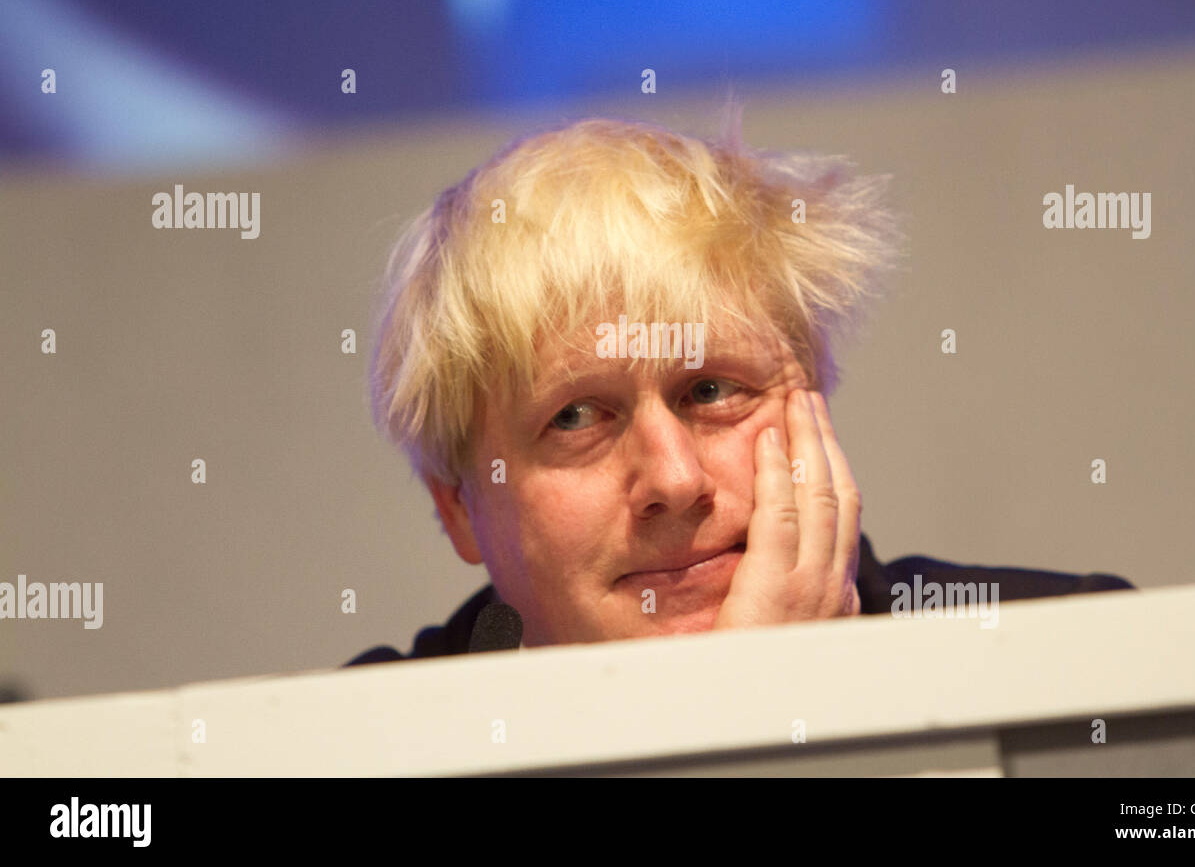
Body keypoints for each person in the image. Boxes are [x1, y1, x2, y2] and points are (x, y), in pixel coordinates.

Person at [346, 114, 1133, 665]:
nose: (676, 480)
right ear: (460, 509)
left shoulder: (1075, 657)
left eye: (713, 390)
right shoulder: (347, 750)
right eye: (576, 416)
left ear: (811, 400)